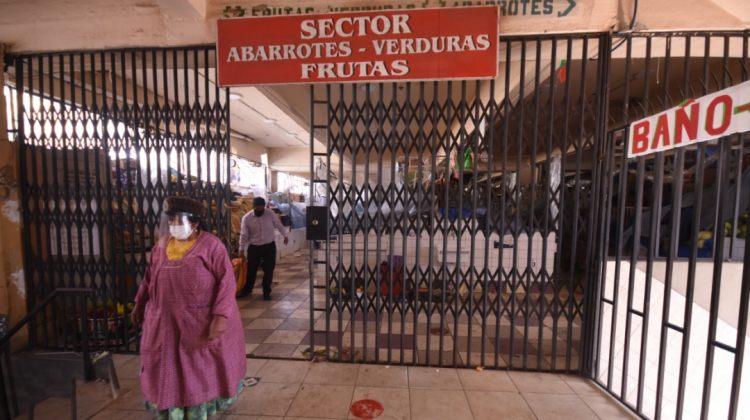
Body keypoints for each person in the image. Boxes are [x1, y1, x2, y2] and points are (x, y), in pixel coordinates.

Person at [131, 196, 246, 420]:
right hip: (163, 322)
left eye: (178, 221)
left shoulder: (212, 245)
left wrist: (220, 316)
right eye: (170, 221)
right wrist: (140, 303)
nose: (174, 226)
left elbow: (226, 282)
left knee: (198, 369)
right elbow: (149, 278)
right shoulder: (161, 246)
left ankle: (197, 410)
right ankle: (171, 409)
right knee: (166, 365)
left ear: (194, 223)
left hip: (197, 323)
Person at [237, 197, 289, 300]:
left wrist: (285, 235)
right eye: (257, 209)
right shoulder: (247, 218)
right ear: (253, 207)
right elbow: (243, 235)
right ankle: (247, 289)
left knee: (269, 269)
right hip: (254, 247)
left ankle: (266, 291)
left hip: (269, 246)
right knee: (251, 269)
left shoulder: (270, 214)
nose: (260, 210)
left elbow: (279, 225)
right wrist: (241, 250)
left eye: (262, 209)